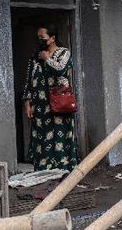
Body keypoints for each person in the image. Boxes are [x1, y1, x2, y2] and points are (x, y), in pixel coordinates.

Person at [21, 25, 79, 171]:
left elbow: (60, 69)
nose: (40, 40)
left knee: (60, 136)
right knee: (41, 137)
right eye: (38, 38)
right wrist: (28, 102)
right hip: (40, 106)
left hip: (59, 103)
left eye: (43, 38)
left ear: (52, 38)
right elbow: (28, 81)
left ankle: (63, 169)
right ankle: (43, 169)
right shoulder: (35, 58)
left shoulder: (63, 53)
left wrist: (47, 59)